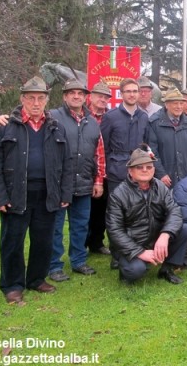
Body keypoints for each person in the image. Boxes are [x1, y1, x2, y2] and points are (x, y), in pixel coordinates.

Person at [0, 77, 73, 304]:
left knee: (43, 240)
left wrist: (65, 193)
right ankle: (12, 285)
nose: (36, 103)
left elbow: (67, 164)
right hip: (15, 195)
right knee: (12, 241)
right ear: (22, 98)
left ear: (46, 100)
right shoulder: (5, 127)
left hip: (47, 193)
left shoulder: (56, 128)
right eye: (31, 98)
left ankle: (36, 279)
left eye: (40, 98)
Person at [106, 146, 187, 285]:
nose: (145, 170)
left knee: (185, 229)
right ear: (130, 171)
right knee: (136, 270)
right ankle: (125, 268)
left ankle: (167, 268)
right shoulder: (118, 195)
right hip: (132, 244)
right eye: (139, 167)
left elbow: (175, 211)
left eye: (149, 167)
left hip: (155, 238)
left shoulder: (160, 187)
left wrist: (165, 235)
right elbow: (114, 231)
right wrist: (140, 252)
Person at [48, 79, 105, 282]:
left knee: (80, 225)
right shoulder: (53, 117)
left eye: (80, 93)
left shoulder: (92, 123)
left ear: (85, 97)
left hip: (84, 183)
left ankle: (79, 261)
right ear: (65, 96)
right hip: (59, 184)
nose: (76, 96)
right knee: (55, 226)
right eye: (71, 93)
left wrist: (98, 180)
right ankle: (54, 265)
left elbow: (99, 154)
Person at [100, 78, 150, 194]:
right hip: (116, 173)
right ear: (121, 94)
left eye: (134, 91)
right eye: (128, 91)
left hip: (138, 171)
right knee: (116, 208)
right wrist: (110, 168)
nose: (132, 95)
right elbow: (103, 147)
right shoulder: (110, 117)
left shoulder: (144, 117)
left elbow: (146, 144)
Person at [148, 88, 187, 188]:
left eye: (181, 103)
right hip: (164, 181)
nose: (178, 107)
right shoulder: (154, 124)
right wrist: (161, 174)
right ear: (166, 105)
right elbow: (152, 153)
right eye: (175, 103)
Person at [86, 81, 113, 256]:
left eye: (106, 97)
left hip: (105, 169)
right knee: (83, 211)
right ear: (91, 97)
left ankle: (97, 242)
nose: (102, 100)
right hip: (85, 168)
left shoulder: (110, 117)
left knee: (101, 210)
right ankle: (81, 244)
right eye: (99, 96)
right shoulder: (82, 114)